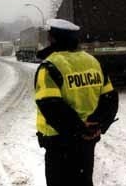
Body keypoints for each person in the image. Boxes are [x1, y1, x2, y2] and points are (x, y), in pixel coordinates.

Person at [34, 18, 119, 186]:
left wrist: (78, 130)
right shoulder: (93, 62)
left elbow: (51, 106)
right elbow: (110, 98)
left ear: (53, 38)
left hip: (59, 142)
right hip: (88, 141)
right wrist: (97, 125)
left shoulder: (50, 67)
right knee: (84, 181)